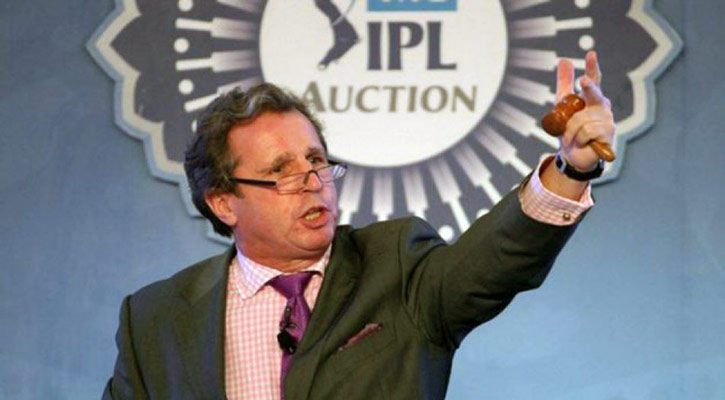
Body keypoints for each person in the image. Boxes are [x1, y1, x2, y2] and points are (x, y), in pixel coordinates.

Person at [103, 51, 615, 399]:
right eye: (280, 171)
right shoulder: (155, 319)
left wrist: (571, 168)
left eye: (316, 161)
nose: (312, 182)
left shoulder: (398, 265)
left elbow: (496, 261)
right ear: (223, 203)